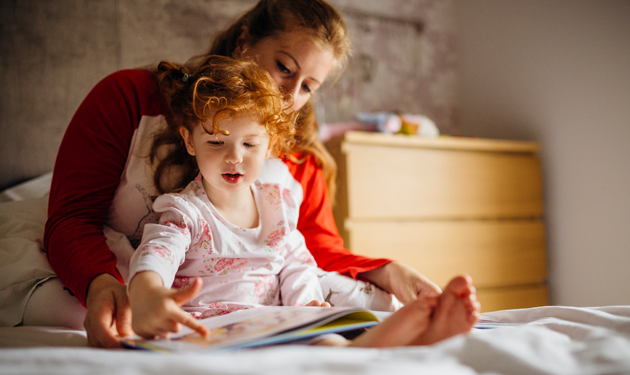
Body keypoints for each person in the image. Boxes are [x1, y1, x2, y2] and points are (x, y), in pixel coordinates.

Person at [40, 0, 440, 348]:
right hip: (141, 275)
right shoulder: (129, 97)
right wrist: (101, 285)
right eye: (284, 68)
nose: (289, 98)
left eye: (308, 87)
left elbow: (310, 247)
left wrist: (389, 272)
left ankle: (388, 337)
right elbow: (73, 216)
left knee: (352, 295)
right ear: (244, 42)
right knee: (67, 308)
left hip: (256, 288)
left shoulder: (292, 160)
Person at [127, 56, 480, 345]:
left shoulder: (275, 203)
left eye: (250, 145)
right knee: (328, 350)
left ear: (269, 145)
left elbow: (296, 265)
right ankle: (393, 343)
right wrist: (148, 295)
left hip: (278, 321)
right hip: (215, 328)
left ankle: (409, 341)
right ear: (190, 142)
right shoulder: (185, 212)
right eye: (216, 143)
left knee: (325, 339)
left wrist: (307, 306)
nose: (234, 157)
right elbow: (156, 254)